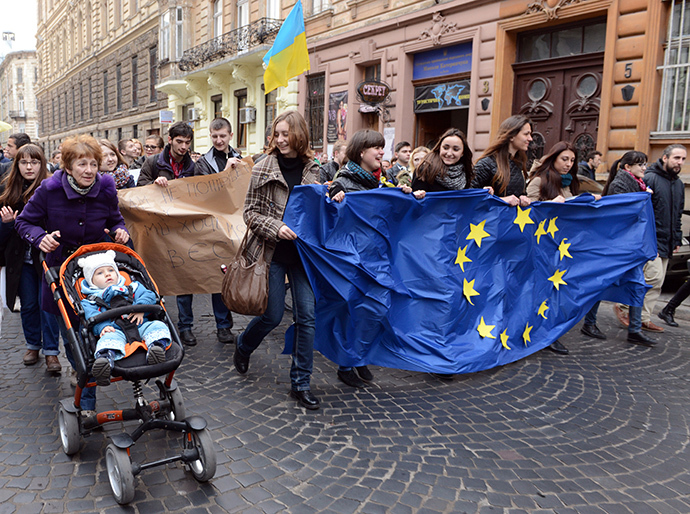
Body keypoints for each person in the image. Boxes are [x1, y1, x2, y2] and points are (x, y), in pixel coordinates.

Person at [14, 134, 130, 417]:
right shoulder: (48, 189)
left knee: (93, 324)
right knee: (73, 333)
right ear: (67, 167)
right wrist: (39, 237)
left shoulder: (106, 187)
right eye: (82, 164)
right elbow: (24, 221)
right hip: (60, 268)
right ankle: (85, 386)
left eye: (93, 164)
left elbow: (115, 218)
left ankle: (88, 383)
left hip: (96, 266)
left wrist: (120, 230)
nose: (89, 170)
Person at [233, 111, 321, 410]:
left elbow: (322, 206)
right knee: (271, 316)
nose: (280, 140)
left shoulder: (315, 169)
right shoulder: (263, 167)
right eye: (277, 134)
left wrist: (336, 195)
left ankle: (301, 383)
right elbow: (250, 213)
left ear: (299, 135)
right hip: (271, 252)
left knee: (306, 318)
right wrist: (276, 227)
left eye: (286, 134)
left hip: (304, 255)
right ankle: (244, 345)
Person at [329, 129, 424, 388]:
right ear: (361, 152)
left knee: (377, 308)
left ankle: (359, 356)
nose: (383, 152)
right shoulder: (345, 180)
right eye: (377, 148)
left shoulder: (378, 182)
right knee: (356, 311)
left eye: (383, 147)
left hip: (377, 257)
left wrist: (406, 195)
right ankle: (347, 364)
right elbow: (330, 208)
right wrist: (333, 194)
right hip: (354, 259)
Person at [0, 144, 62, 371]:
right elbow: (2, 236)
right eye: (23, 162)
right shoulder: (8, 190)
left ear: (41, 163)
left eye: (34, 162)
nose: (29, 167)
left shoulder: (51, 188)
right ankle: (33, 345)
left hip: (46, 258)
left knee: (47, 305)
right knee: (28, 305)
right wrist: (7, 224)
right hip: (20, 259)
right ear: (16, 165)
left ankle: (52, 353)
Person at [137, 122, 200, 345]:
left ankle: (186, 326)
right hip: (157, 230)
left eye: (187, 142)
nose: (183, 147)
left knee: (184, 279)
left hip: (182, 231)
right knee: (154, 276)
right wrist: (154, 184)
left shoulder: (192, 166)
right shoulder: (153, 162)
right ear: (170, 139)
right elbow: (138, 188)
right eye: (179, 141)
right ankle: (155, 321)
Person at [78, 250, 171, 385]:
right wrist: (102, 327)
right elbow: (91, 316)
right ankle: (105, 360)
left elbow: (150, 295)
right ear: (90, 280)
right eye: (100, 273)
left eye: (111, 270)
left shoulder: (133, 286)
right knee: (107, 339)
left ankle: (156, 347)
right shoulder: (90, 300)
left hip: (140, 325)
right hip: (116, 331)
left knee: (158, 326)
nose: (107, 274)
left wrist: (141, 309)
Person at [525, 142, 583, 355]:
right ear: (554, 158)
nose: (568, 164)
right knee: (542, 292)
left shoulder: (569, 182)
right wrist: (549, 204)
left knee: (558, 292)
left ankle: (550, 332)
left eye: (572, 160)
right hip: (541, 246)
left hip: (563, 245)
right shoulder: (539, 180)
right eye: (564, 159)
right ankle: (540, 333)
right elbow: (527, 211)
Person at [189, 117, 239, 345]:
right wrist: (225, 174)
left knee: (231, 274)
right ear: (210, 136)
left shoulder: (240, 159)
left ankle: (227, 322)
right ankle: (220, 325)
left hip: (236, 224)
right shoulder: (202, 164)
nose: (219, 140)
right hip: (212, 225)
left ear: (230, 135)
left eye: (223, 136)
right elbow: (204, 194)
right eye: (214, 136)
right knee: (216, 274)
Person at [600, 151, 657, 346]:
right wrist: (642, 197)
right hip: (618, 246)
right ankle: (589, 323)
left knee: (637, 284)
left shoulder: (639, 186)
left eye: (645, 164)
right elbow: (621, 216)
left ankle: (634, 329)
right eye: (640, 164)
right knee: (602, 284)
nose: (644, 168)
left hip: (633, 246)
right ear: (627, 167)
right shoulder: (620, 186)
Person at [632, 144, 687, 332]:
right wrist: (646, 239)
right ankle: (629, 312)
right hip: (650, 240)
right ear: (665, 158)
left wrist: (677, 239)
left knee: (658, 282)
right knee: (652, 278)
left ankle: (643, 318)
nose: (680, 162)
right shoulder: (650, 179)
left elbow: (677, 214)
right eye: (676, 158)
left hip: (668, 241)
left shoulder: (679, 184)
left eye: (683, 159)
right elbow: (641, 213)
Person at [471, 115, 532, 207]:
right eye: (526, 134)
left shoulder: (519, 164)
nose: (530, 138)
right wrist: (501, 200)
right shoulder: (486, 164)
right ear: (511, 136)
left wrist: (523, 199)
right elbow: (469, 196)